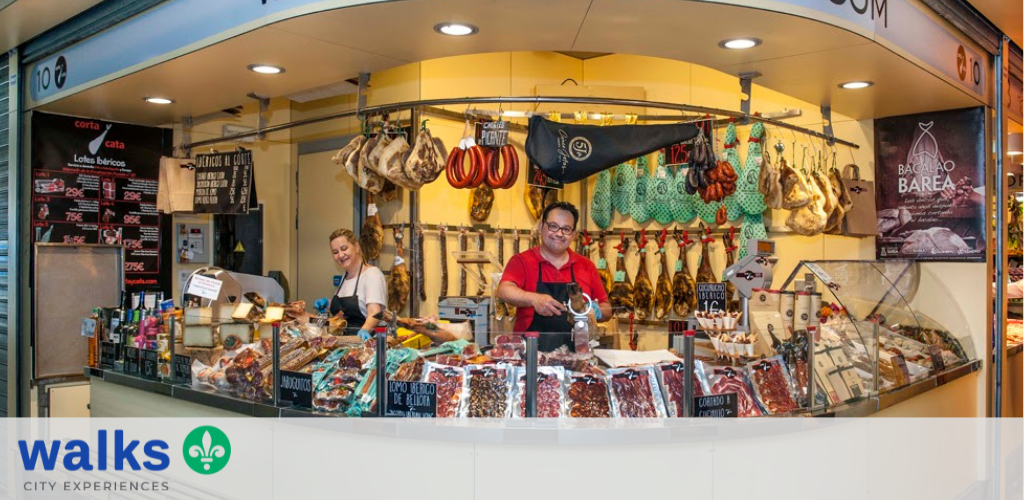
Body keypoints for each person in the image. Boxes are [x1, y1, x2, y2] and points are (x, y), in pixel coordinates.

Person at [497, 201, 612, 352]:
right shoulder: (521, 261)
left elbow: (607, 309)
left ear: (573, 235)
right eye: (553, 226)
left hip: (576, 356)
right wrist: (535, 299)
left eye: (566, 229)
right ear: (540, 227)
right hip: (530, 355)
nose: (559, 233)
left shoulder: (586, 266)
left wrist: (594, 311)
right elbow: (504, 290)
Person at [328, 228, 388, 340]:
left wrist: (365, 330)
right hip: (347, 342)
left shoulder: (372, 275)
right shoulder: (345, 276)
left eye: (344, 248)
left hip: (370, 343)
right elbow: (346, 309)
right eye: (335, 252)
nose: (340, 255)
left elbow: (376, 313)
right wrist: (328, 304)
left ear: (356, 247)